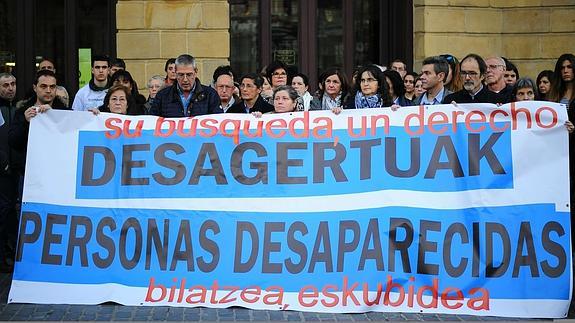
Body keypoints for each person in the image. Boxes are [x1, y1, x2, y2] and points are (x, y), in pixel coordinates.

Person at [151, 54, 222, 117]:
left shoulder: (210, 95)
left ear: (195, 72)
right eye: (181, 75)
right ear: (175, 73)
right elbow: (152, 124)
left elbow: (218, 123)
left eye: (189, 74)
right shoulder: (162, 96)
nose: (185, 79)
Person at [0, 73, 18, 273]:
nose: (10, 88)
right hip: (2, 171)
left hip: (16, 170)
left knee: (13, 211)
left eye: (13, 84)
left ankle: (11, 252)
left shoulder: (20, 109)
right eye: (5, 85)